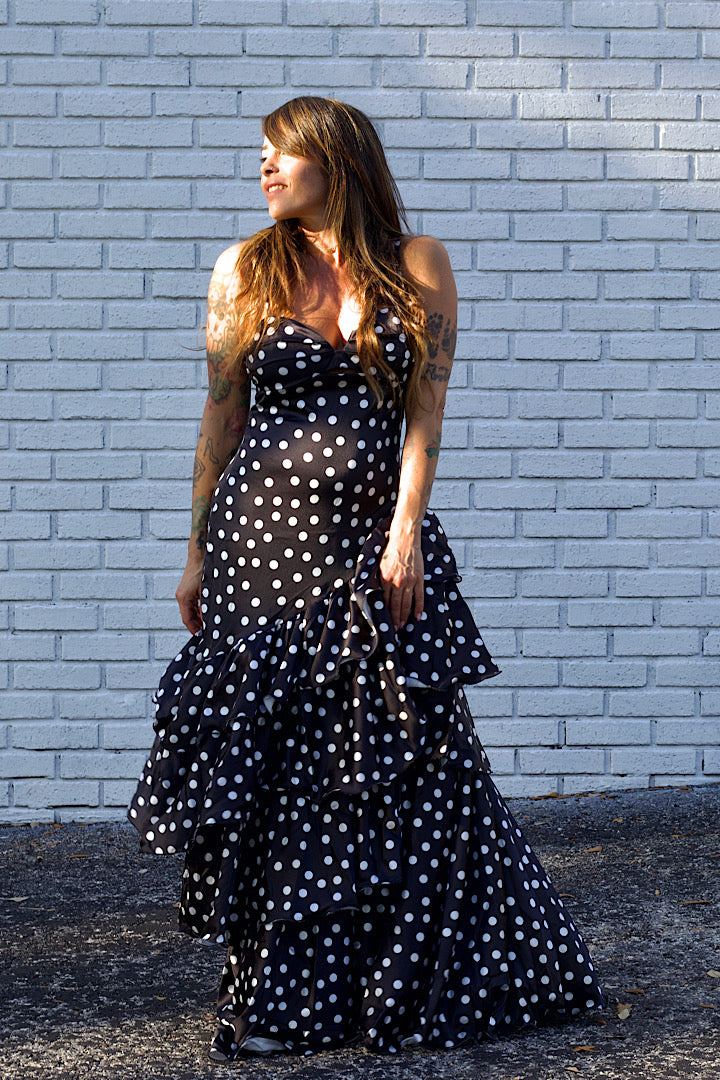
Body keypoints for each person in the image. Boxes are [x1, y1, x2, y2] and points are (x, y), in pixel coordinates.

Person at [128, 95, 604, 1060]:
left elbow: (425, 414)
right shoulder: (243, 272)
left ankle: (422, 978)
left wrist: (406, 531)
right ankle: (281, 1003)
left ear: (334, 161)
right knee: (293, 772)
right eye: (260, 157)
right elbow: (219, 424)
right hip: (259, 548)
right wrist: (191, 553)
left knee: (419, 753)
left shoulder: (417, 263)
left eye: (281, 155)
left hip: (368, 541)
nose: (264, 171)